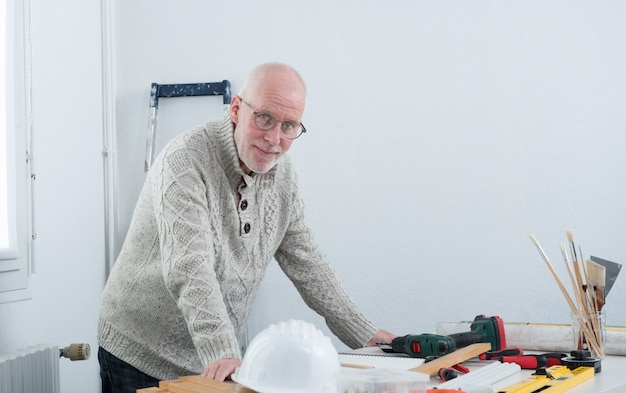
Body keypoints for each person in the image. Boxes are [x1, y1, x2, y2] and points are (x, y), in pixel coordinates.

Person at [97, 62, 396, 392]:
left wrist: (363, 332)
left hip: (209, 357)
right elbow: (190, 267)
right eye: (265, 118)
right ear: (237, 109)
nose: (274, 139)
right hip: (139, 351)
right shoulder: (184, 160)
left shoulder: (283, 178)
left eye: (289, 126)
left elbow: (308, 263)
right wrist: (223, 350)